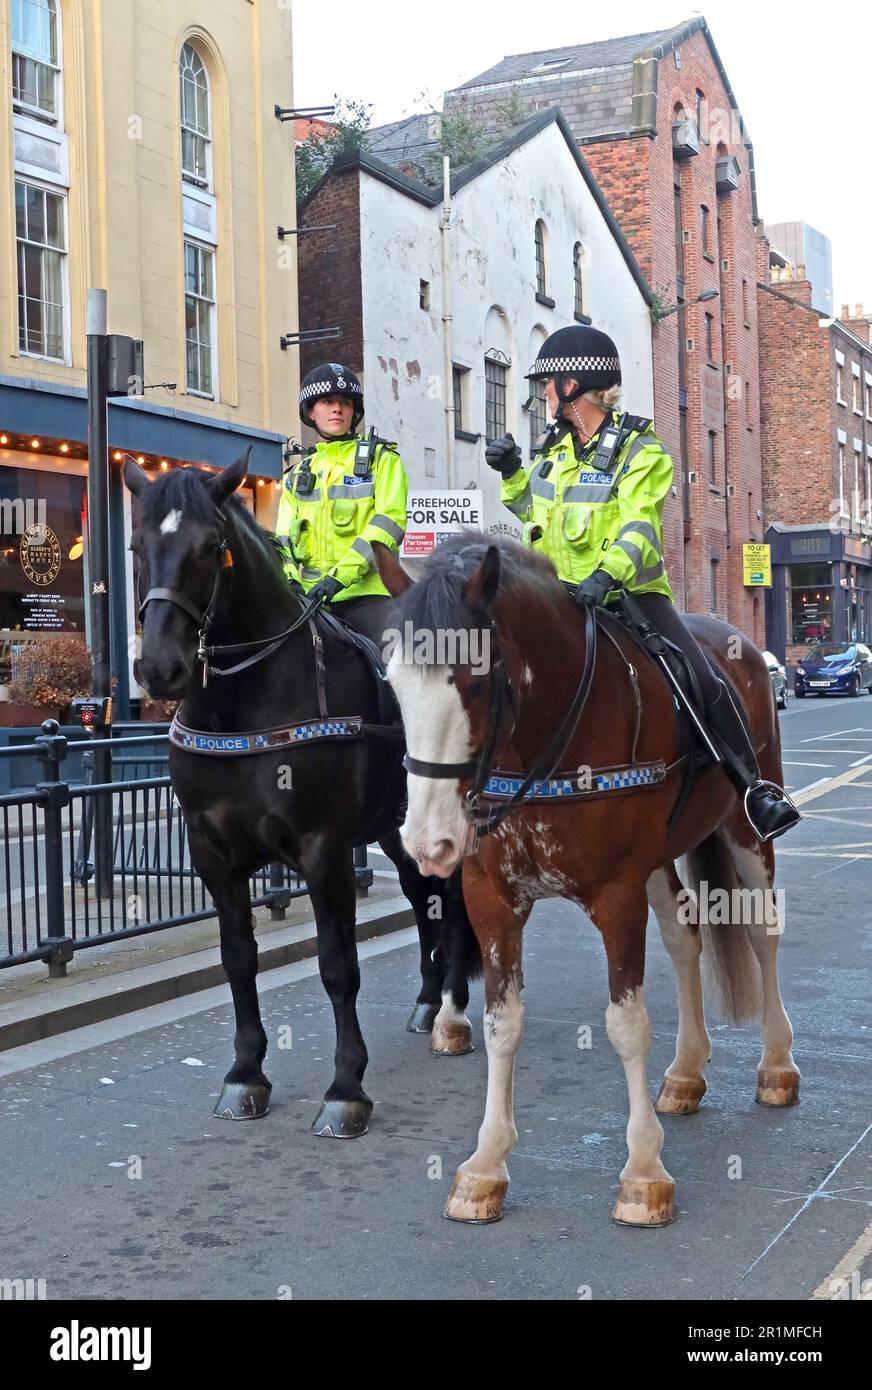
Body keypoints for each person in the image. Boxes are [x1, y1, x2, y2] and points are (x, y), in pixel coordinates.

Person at [485, 324, 800, 843]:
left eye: (547, 382)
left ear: (570, 386)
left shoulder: (639, 447)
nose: (541, 391)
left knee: (703, 676)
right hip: (560, 600)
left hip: (630, 596)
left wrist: (603, 576)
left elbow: (640, 528)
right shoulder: (554, 452)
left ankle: (752, 790)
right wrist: (515, 473)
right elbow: (532, 514)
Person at [275, 362, 408, 647]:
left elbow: (388, 524)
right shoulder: (296, 476)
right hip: (307, 600)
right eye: (327, 401)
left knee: (398, 660)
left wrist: (338, 579)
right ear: (311, 411)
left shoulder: (383, 461)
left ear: (353, 411)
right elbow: (282, 540)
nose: (337, 408)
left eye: (345, 402)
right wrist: (289, 582)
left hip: (366, 596)